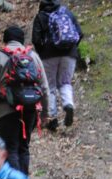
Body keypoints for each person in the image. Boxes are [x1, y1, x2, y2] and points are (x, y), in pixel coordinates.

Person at [0, 26, 50, 176]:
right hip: (30, 109)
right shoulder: (33, 57)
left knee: (10, 149)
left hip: (7, 111)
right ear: (22, 41)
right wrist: (45, 113)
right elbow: (44, 87)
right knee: (24, 147)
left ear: (5, 40)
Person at [31, 0, 82, 130]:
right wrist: (71, 48)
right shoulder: (66, 12)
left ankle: (52, 118)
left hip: (48, 56)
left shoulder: (41, 16)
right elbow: (79, 33)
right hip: (69, 54)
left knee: (50, 86)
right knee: (65, 82)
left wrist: (42, 52)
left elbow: (36, 39)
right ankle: (68, 104)